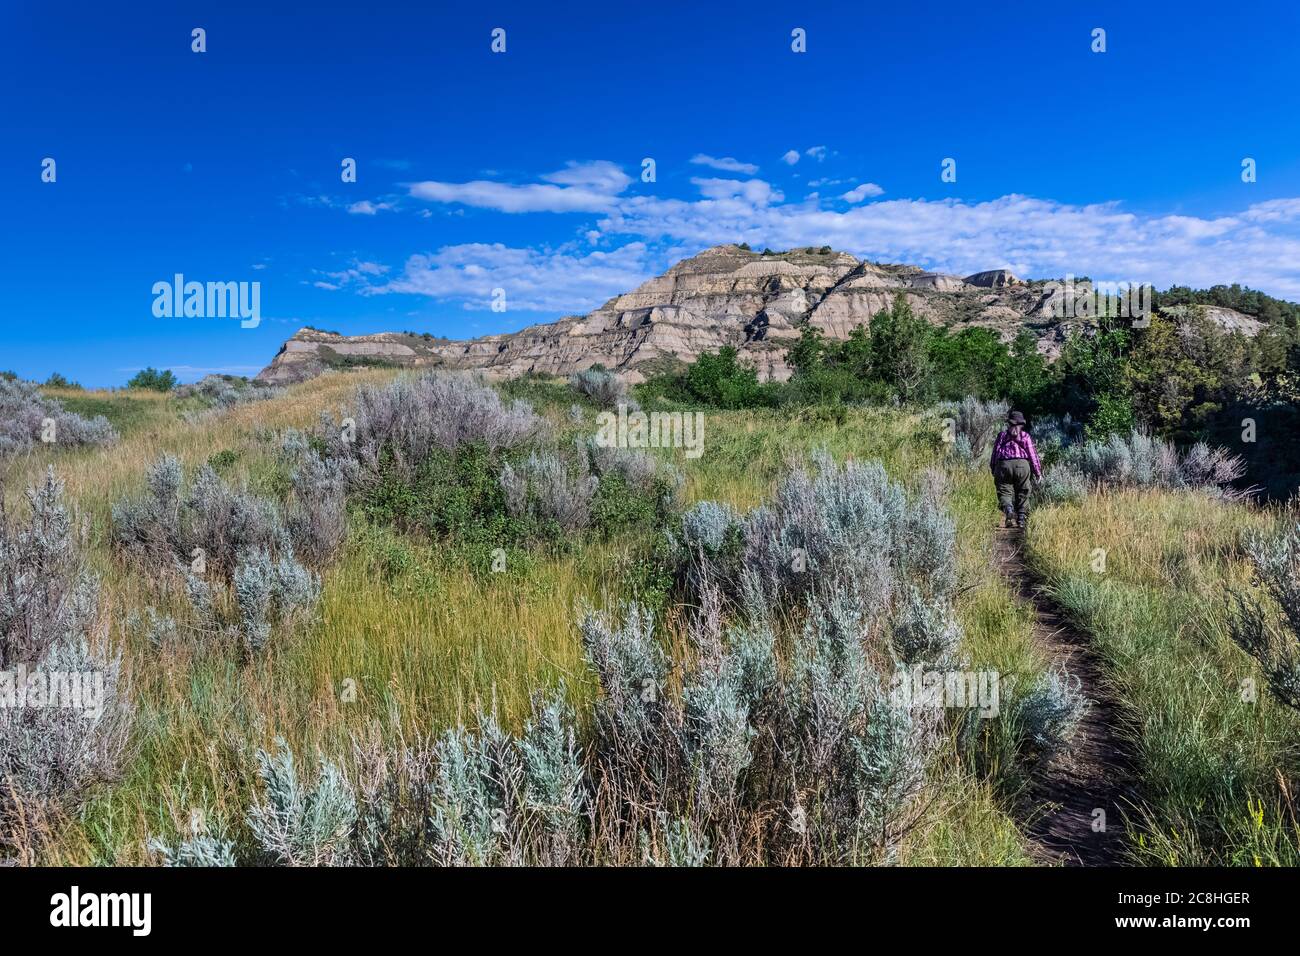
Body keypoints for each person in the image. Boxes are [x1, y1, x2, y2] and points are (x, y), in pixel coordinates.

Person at [989, 410, 1042, 528]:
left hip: (1003, 465)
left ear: (1009, 424)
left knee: (1004, 490)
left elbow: (995, 453)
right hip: (1022, 466)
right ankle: (1021, 519)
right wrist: (1037, 472)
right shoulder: (1025, 436)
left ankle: (1008, 511)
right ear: (1021, 425)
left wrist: (993, 468)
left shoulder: (1002, 435)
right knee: (1023, 490)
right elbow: (1033, 455)